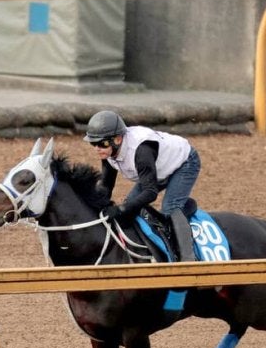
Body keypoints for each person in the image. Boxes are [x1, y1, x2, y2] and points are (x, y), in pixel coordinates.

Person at [83, 110, 201, 262]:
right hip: (156, 169)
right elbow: (106, 186)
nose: (97, 148)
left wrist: (120, 209)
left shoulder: (141, 151)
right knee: (129, 206)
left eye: (102, 143)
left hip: (184, 163)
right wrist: (94, 208)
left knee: (170, 207)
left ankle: (189, 260)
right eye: (94, 143)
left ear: (118, 139)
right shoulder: (109, 152)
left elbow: (150, 192)